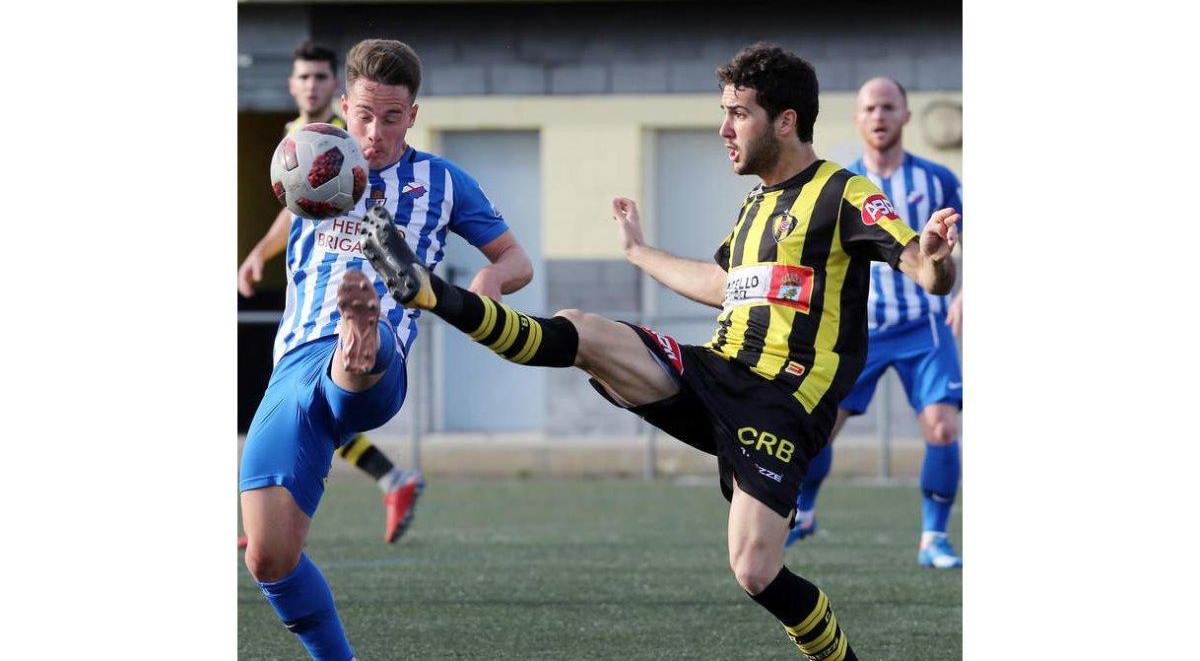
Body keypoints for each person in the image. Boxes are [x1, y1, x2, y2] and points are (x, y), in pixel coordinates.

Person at [359, 43, 957, 660]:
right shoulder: (756, 206)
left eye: (738, 113)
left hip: (779, 407)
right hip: (715, 373)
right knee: (582, 331)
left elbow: (922, 265)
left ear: (785, 120)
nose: (724, 128)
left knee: (755, 572)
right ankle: (433, 293)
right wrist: (638, 252)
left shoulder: (845, 191)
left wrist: (938, 263)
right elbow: (722, 286)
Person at [239, 38, 533, 660]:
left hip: (380, 368)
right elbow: (285, 216)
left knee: (355, 358)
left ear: (414, 115)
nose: (374, 132)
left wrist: (489, 281)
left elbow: (515, 258)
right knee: (270, 557)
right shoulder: (314, 161)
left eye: (391, 118)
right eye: (363, 116)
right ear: (344, 105)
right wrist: (257, 256)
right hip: (292, 366)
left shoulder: (442, 182)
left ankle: (362, 329)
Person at [237, 40, 424, 547]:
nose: (312, 86)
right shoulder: (297, 140)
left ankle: (285, 499)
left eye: (321, 77)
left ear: (334, 92)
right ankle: (381, 478)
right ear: (293, 85)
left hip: (351, 297)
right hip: (310, 287)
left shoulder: (346, 142)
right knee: (308, 404)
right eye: (305, 78)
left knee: (318, 400)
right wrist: (262, 252)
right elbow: (297, 203)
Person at [784, 77, 965, 570]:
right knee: (815, 432)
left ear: (906, 115)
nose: (880, 115)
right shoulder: (840, 184)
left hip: (923, 329)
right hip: (855, 331)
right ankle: (803, 514)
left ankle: (933, 539)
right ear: (858, 119)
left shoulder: (938, 180)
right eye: (870, 108)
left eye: (889, 107)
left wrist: (965, 293)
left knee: (943, 429)